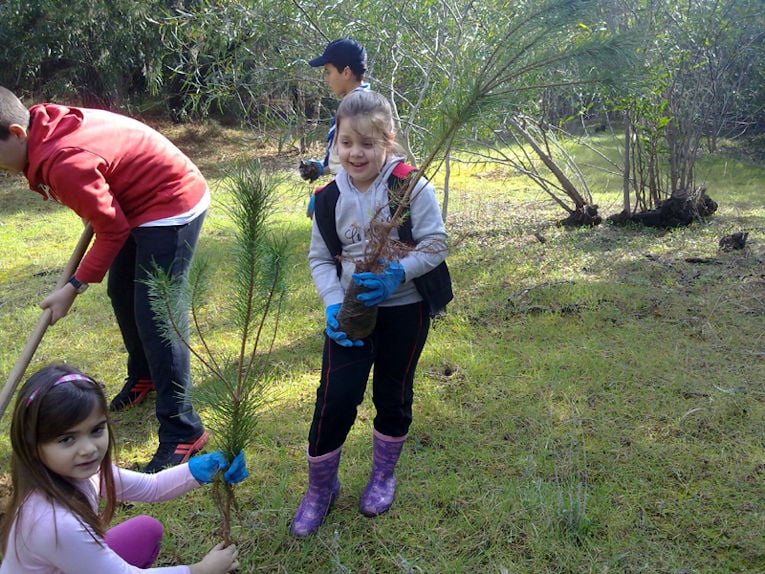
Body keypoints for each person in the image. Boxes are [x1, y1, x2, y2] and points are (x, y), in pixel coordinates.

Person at [0, 85, 210, 472]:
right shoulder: (43, 128)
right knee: (121, 291)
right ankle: (144, 376)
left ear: (16, 133)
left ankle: (184, 431)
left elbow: (111, 230)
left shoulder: (63, 162)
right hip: (134, 201)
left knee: (156, 314)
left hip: (170, 201)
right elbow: (103, 204)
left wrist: (72, 288)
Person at [291, 90, 452, 537]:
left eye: (367, 143)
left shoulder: (410, 186)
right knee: (335, 399)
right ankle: (321, 490)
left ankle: (382, 476)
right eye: (346, 143)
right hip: (351, 316)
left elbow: (436, 243)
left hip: (405, 310)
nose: (355, 153)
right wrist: (332, 303)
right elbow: (321, 259)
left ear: (388, 142)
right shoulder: (327, 200)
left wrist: (395, 274)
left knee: (393, 394)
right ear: (335, 144)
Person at [0, 363, 248, 573]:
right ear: (32, 446)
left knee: (145, 530)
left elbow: (153, 487)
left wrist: (201, 468)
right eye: (67, 439)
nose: (88, 449)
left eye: (96, 430)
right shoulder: (54, 524)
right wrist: (199, 570)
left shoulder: (80, 474)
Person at [299, 38, 371, 216]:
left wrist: (330, 194)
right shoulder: (355, 102)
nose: (326, 79)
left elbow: (362, 162)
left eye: (328, 72)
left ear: (346, 72)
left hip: (356, 201)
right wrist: (325, 167)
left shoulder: (358, 108)